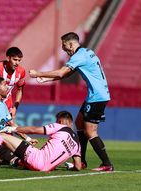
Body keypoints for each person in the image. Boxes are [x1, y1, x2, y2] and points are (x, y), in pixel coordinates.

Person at [29, 32, 113, 171]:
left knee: (90, 131)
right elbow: (67, 73)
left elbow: (62, 72)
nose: (63, 49)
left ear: (70, 43)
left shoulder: (78, 56)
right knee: (79, 124)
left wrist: (39, 73)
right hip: (95, 95)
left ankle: (107, 164)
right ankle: (82, 161)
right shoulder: (86, 52)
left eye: (64, 45)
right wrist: (47, 79)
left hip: (97, 97)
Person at [0, 110, 82, 172]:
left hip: (36, 159)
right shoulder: (77, 145)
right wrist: (70, 167)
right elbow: (78, 166)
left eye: (57, 120)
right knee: (13, 158)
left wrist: (14, 128)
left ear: (61, 121)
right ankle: (15, 161)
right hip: (47, 168)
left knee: (2, 137)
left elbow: (35, 129)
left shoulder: (61, 127)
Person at [0, 47, 26, 119]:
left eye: (19, 60)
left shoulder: (21, 72)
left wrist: (15, 108)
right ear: (8, 58)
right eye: (15, 60)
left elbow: (20, 90)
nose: (17, 63)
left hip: (7, 104)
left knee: (8, 127)